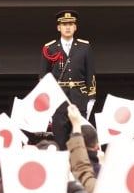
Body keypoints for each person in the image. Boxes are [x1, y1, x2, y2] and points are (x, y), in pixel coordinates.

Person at [39, 10, 96, 149]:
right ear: (58, 27)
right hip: (58, 100)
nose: (68, 27)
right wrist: (46, 104)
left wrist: (91, 98)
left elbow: (91, 74)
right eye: (64, 24)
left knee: (79, 138)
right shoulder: (50, 48)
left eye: (71, 24)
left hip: (79, 97)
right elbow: (43, 78)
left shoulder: (84, 47)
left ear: (75, 27)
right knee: (60, 138)